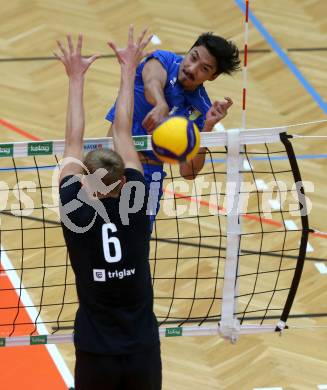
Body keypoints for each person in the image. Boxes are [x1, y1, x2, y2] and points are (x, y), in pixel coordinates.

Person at [57, 27, 161, 390]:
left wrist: (75, 78)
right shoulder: (136, 204)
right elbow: (122, 134)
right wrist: (128, 69)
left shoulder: (76, 212)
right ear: (121, 181)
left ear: (86, 181)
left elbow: (72, 143)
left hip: (96, 352)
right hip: (141, 352)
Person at [106, 32, 240, 227]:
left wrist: (207, 128)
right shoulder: (163, 60)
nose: (192, 68)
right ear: (188, 51)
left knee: (135, 243)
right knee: (92, 240)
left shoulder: (201, 109)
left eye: (204, 68)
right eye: (193, 57)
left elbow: (188, 172)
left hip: (149, 176)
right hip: (111, 163)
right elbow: (152, 82)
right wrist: (161, 104)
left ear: (213, 76)